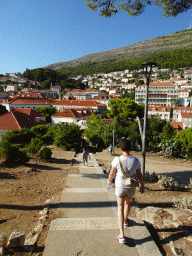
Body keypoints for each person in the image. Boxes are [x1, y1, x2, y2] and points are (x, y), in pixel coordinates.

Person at [107, 138, 144, 244]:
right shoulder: (135, 160)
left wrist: (109, 181)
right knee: (128, 204)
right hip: (131, 186)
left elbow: (112, 173)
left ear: (120, 148)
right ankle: (126, 221)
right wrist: (142, 185)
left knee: (120, 207)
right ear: (130, 148)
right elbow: (139, 175)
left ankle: (122, 235)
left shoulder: (117, 160)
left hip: (120, 186)